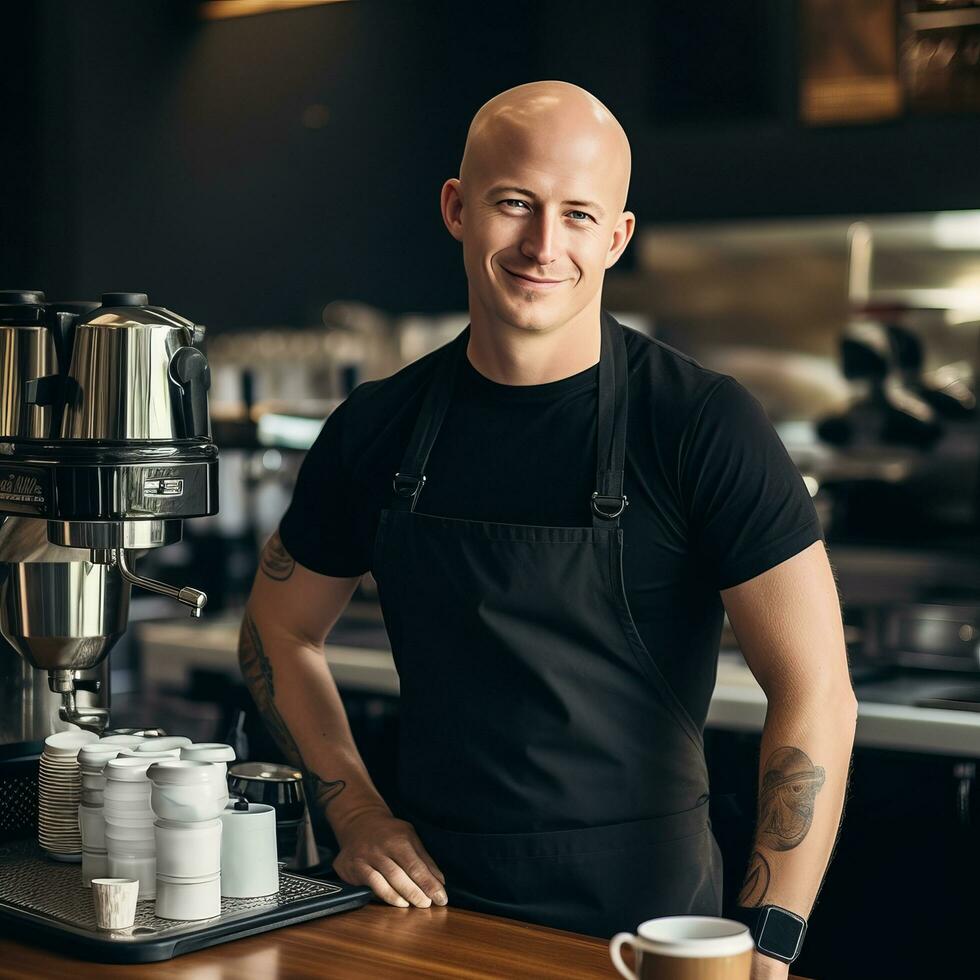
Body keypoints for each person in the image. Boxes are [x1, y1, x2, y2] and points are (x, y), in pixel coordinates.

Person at [239, 81, 857, 979]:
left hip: (644, 928)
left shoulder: (702, 424)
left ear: (617, 237)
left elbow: (817, 693)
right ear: (458, 208)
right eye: (515, 204)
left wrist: (769, 940)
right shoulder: (377, 426)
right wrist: (359, 813)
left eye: (578, 215)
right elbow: (278, 630)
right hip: (426, 916)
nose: (542, 246)